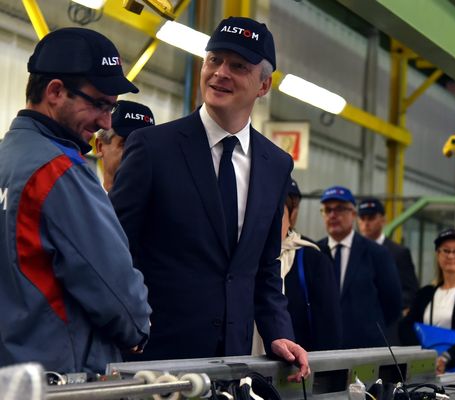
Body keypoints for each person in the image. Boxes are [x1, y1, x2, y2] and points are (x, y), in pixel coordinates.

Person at [109, 16, 309, 381]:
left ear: (264, 85)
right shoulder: (153, 148)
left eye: (238, 66)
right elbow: (115, 248)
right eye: (214, 59)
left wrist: (279, 330)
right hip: (155, 360)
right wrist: (129, 320)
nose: (220, 72)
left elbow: (263, 269)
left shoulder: (276, 164)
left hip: (230, 362)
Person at [0, 27, 151, 374]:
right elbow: (116, 291)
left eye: (111, 108)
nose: (105, 122)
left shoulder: (6, 162)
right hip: (60, 377)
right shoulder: (58, 173)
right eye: (98, 104)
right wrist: (139, 329)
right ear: (55, 91)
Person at [317, 186, 403, 349]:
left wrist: (369, 328)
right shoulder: (314, 252)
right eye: (328, 210)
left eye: (340, 209)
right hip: (322, 348)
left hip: (364, 349)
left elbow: (393, 304)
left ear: (353, 214)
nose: (333, 215)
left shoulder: (377, 253)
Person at [399, 229, 455, 375]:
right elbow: (405, 326)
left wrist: (447, 358)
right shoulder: (425, 293)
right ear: (438, 255)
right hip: (427, 370)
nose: (451, 256)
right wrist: (424, 358)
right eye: (446, 251)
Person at [280, 180, 342, 351]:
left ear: (292, 213)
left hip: (300, 365)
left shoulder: (312, 257)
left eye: (280, 211)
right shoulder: (246, 255)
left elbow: (329, 326)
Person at [357, 198, 419, 312]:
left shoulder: (398, 253)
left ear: (383, 220)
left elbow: (411, 292)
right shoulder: (351, 251)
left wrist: (383, 303)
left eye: (371, 218)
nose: (366, 223)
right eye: (362, 218)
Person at [95, 100, 155, 191]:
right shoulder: (80, 194)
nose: (138, 154)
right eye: (127, 143)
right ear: (100, 147)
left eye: (145, 147)